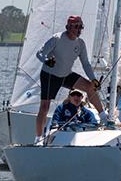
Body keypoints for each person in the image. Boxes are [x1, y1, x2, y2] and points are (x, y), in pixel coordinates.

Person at [34, 15, 107, 145]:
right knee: (45, 106)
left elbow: (85, 64)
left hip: (66, 75)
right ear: (68, 27)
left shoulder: (80, 44)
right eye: (76, 26)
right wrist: (46, 61)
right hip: (49, 75)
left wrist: (93, 79)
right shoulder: (57, 38)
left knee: (91, 87)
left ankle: (104, 118)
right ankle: (38, 138)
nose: (78, 29)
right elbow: (40, 53)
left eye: (81, 27)